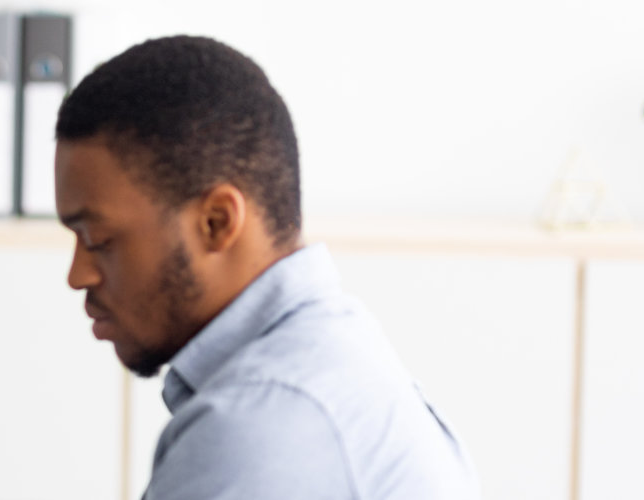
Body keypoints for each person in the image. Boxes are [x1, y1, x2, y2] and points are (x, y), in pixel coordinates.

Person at [52, 36, 480, 499]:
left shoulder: (262, 423)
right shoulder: (331, 361)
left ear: (217, 223)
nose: (78, 275)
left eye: (98, 239)